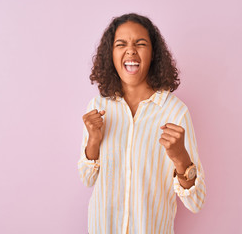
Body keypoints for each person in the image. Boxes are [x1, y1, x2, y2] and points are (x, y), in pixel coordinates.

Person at [78, 13, 206, 234]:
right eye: (121, 44)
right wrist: (93, 142)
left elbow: (196, 201)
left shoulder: (175, 112)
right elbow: (87, 179)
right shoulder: (98, 107)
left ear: (153, 53)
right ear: (111, 54)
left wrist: (180, 158)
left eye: (140, 43)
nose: (131, 50)